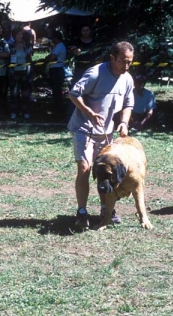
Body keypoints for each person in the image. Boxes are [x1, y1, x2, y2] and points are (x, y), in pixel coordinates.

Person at [67, 41, 135, 230]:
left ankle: (107, 209)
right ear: (112, 58)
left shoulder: (127, 78)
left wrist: (123, 122)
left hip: (106, 132)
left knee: (106, 172)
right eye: (123, 61)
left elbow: (129, 104)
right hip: (84, 128)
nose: (126, 66)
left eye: (130, 62)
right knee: (85, 168)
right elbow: (73, 93)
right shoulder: (95, 73)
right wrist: (89, 112)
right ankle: (81, 212)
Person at [8, 27, 34, 119]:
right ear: (14, 36)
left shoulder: (27, 45)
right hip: (14, 72)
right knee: (14, 93)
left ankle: (25, 111)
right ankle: (14, 111)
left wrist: (30, 72)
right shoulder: (10, 46)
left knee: (25, 93)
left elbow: (30, 59)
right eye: (17, 34)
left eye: (21, 34)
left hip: (25, 72)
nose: (19, 36)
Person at [45, 30, 67, 117]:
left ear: (56, 38)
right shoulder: (57, 46)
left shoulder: (59, 46)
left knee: (57, 91)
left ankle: (59, 110)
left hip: (57, 70)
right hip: (55, 69)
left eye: (53, 38)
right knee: (55, 91)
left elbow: (51, 57)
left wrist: (47, 58)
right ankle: (57, 108)